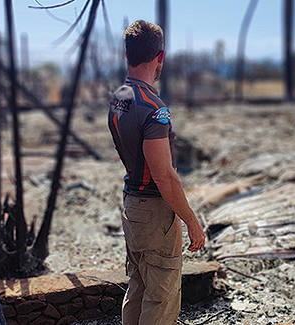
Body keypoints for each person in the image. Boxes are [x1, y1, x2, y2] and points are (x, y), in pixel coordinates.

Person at [108, 20, 206, 325]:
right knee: (160, 298)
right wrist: (192, 221)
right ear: (159, 58)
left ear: (127, 54)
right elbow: (164, 176)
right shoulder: (154, 107)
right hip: (154, 212)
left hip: (132, 204)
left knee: (137, 286)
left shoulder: (119, 98)